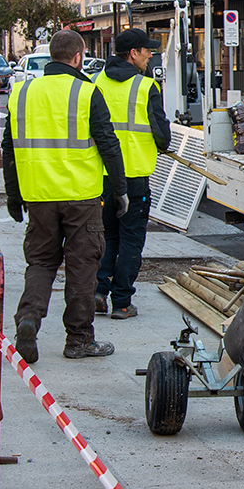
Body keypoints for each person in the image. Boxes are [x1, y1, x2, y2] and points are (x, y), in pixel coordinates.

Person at [1, 28, 127, 364]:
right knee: (82, 265)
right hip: (81, 197)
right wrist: (121, 190)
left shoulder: (23, 93)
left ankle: (28, 320)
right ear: (77, 57)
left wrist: (14, 196)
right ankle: (80, 340)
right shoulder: (86, 92)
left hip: (38, 194)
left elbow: (8, 149)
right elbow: (108, 143)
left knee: (41, 262)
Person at [94, 28, 172, 319]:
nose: (150, 55)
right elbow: (162, 135)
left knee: (107, 235)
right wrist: (162, 142)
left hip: (102, 175)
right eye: (146, 50)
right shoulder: (145, 86)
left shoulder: (95, 83)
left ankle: (99, 293)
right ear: (133, 54)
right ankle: (122, 302)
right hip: (135, 176)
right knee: (131, 238)